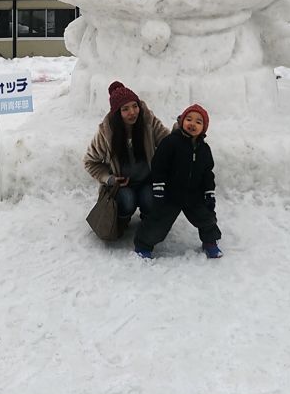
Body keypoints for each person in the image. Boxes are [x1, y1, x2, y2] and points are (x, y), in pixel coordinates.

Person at [134, 103, 222, 260]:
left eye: (198, 122)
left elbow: (207, 173)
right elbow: (159, 165)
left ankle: (210, 242)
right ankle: (143, 244)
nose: (192, 124)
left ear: (204, 128)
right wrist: (159, 186)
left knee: (206, 217)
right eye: (189, 119)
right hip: (171, 193)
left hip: (193, 194)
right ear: (182, 122)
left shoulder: (204, 150)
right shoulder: (171, 142)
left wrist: (209, 192)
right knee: (158, 221)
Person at [84, 81, 170, 235]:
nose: (132, 112)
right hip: (122, 186)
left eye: (135, 106)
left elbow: (167, 141)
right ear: (117, 113)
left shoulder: (148, 121)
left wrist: (181, 131)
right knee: (128, 200)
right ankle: (120, 222)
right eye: (125, 109)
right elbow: (90, 161)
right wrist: (109, 179)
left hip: (146, 181)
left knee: (150, 199)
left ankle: (149, 221)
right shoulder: (106, 132)